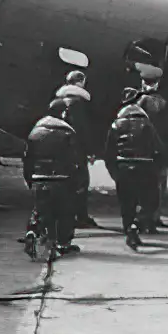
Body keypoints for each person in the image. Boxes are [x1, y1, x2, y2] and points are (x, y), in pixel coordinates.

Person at [104, 89, 168, 249]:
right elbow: (158, 148)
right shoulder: (147, 124)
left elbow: (109, 151)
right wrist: (160, 168)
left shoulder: (116, 124)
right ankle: (138, 224)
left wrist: (114, 172)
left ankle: (129, 231)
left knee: (127, 202)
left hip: (123, 166)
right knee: (149, 201)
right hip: (145, 165)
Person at [22, 99, 82, 258]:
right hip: (62, 178)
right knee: (65, 212)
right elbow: (75, 159)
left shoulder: (35, 131)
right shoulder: (67, 132)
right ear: (63, 112)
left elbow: (28, 158)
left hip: (39, 177)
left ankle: (32, 232)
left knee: (39, 209)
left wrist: (28, 177)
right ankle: (63, 243)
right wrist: (77, 181)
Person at [132, 64, 168, 232]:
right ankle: (154, 217)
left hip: (140, 150)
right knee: (158, 185)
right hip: (159, 150)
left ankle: (139, 218)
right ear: (157, 83)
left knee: (139, 185)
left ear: (143, 82)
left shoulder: (134, 102)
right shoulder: (162, 102)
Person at [55, 70, 98, 228]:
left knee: (63, 183)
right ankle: (80, 217)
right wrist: (90, 151)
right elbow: (83, 129)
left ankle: (63, 216)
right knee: (80, 184)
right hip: (76, 150)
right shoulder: (80, 103)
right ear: (81, 81)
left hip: (59, 150)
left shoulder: (56, 102)